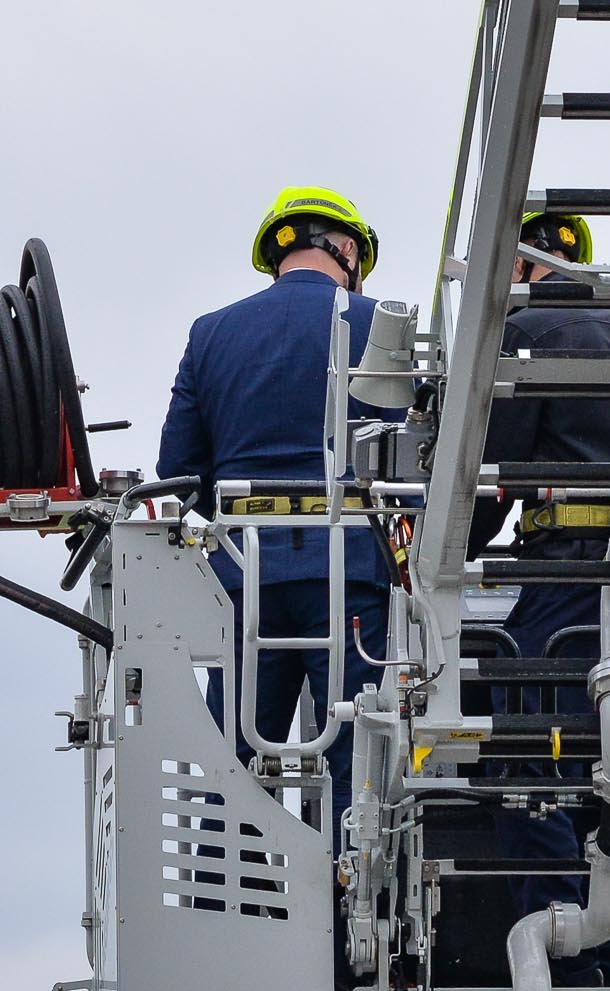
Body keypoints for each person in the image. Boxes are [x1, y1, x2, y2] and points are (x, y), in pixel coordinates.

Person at [156, 187, 404, 845]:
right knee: (361, 771)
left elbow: (178, 468)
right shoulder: (383, 325)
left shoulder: (212, 333)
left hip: (245, 581)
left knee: (229, 774)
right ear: (348, 249)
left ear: (280, 250)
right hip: (352, 580)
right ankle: (358, 930)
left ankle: (225, 913)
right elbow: (414, 464)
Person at [471, 211, 610, 984]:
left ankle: (558, 938)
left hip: (563, 573)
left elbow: (496, 467)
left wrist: (451, 543)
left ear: (521, 264)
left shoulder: (527, 332)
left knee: (522, 753)